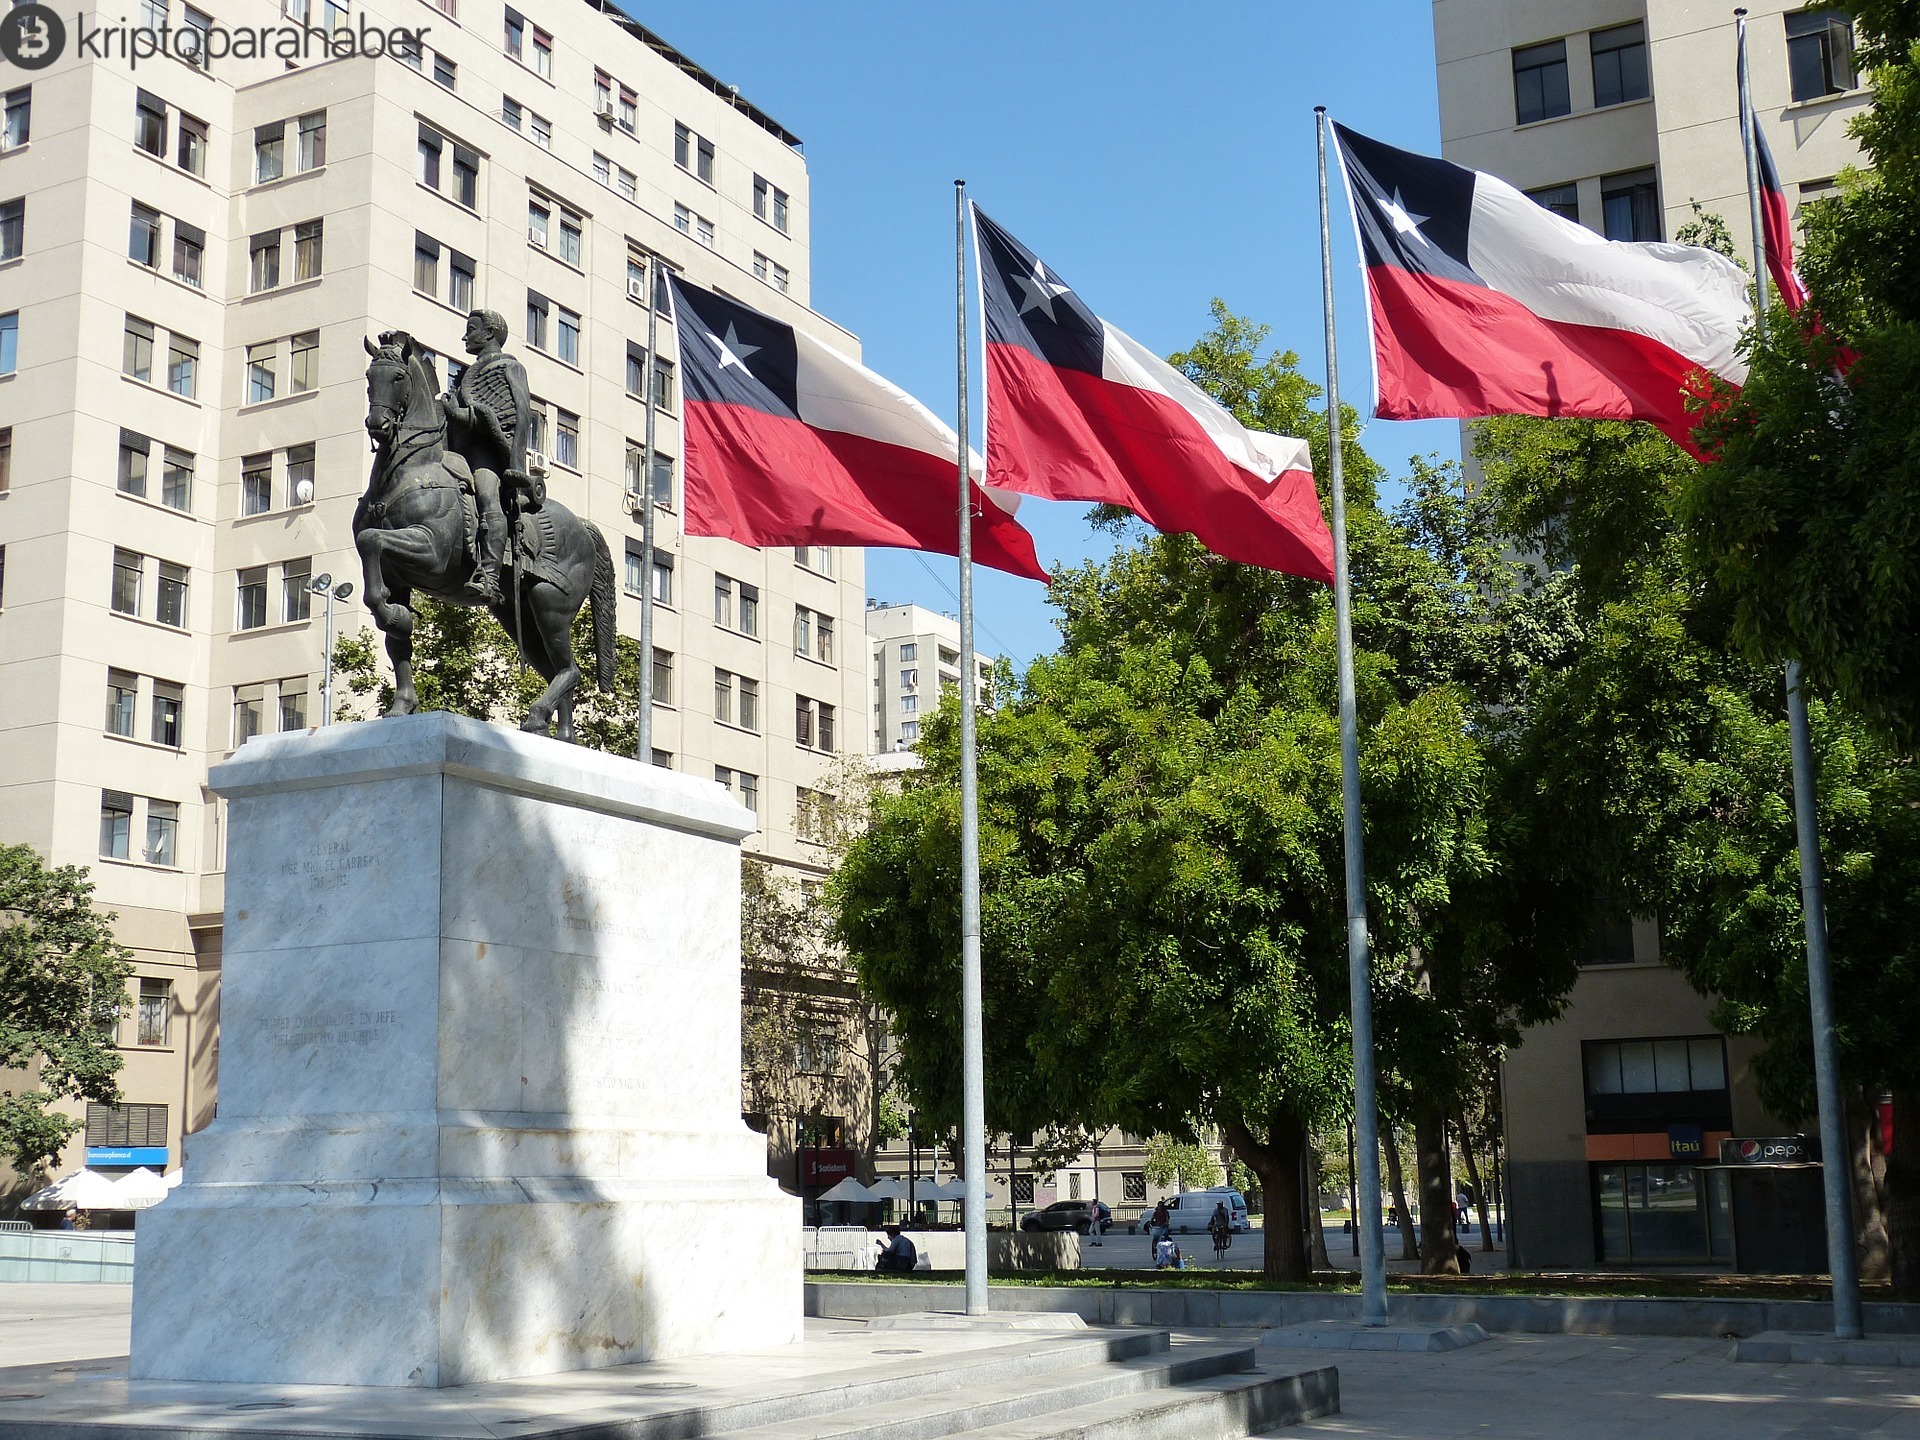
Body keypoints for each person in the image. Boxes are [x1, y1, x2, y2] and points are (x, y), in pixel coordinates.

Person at [442, 309, 534, 606]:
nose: (464, 336)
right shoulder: (468, 373)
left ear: (490, 333)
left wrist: (467, 416)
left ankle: (490, 575)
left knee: (486, 493)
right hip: (457, 450)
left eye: (471, 329)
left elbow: (518, 416)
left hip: (488, 451)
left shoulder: (508, 367)